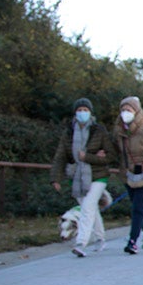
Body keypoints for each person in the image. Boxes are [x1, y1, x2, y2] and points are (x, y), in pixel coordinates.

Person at [50, 98, 116, 256]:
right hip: (78, 177)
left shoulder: (98, 131)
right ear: (75, 112)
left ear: (90, 112)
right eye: (79, 110)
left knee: (87, 208)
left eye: (85, 110)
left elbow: (110, 155)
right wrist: (55, 178)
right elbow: (61, 156)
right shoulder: (69, 132)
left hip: (98, 176)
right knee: (92, 209)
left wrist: (88, 157)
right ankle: (100, 239)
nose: (82, 113)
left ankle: (81, 242)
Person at [114, 96, 143, 254]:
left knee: (137, 208)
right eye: (123, 110)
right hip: (129, 175)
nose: (125, 113)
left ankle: (132, 240)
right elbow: (116, 152)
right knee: (141, 208)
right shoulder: (119, 130)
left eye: (129, 110)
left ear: (137, 111)